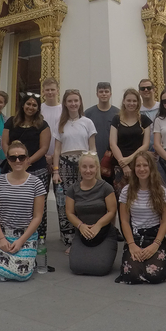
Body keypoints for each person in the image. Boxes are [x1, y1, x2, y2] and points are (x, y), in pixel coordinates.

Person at [0, 140, 47, 282]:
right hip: (3, 234)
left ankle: (29, 258)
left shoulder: (36, 183)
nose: (17, 160)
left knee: (20, 274)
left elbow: (37, 217)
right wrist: (1, 238)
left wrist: (22, 240)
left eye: (21, 157)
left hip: (26, 235)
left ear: (28, 160)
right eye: (13, 158)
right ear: (8, 161)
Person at [116, 151, 166, 285]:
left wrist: (156, 244)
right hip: (135, 237)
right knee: (131, 274)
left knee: (154, 274)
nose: (142, 169)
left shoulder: (162, 192)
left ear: (151, 168)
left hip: (154, 237)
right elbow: (124, 221)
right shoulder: (126, 191)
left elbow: (165, 221)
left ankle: (159, 260)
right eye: (138, 165)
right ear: (133, 168)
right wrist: (131, 245)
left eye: (145, 165)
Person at [1, 93, 52, 243]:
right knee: (15, 203)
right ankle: (13, 234)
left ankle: (40, 237)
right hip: (14, 169)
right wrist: (13, 159)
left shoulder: (43, 125)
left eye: (34, 105)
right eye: (28, 104)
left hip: (37, 169)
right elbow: (5, 143)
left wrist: (26, 162)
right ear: (23, 105)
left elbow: (44, 148)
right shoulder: (11, 122)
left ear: (38, 108)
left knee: (38, 206)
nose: (31, 107)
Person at [52, 89, 97, 249]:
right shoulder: (60, 123)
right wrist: (56, 171)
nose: (73, 104)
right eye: (70, 101)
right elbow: (57, 149)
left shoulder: (87, 122)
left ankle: (84, 235)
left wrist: (93, 168)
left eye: (76, 100)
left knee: (83, 198)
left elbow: (92, 148)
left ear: (80, 102)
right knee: (64, 201)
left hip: (83, 164)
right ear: (65, 103)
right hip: (64, 163)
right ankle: (68, 237)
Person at [65, 151, 118, 276]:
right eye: (84, 167)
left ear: (97, 168)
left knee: (101, 268)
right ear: (79, 168)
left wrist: (98, 225)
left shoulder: (106, 188)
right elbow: (70, 212)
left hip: (104, 231)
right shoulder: (73, 189)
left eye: (91, 167)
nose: (88, 170)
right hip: (83, 231)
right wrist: (80, 226)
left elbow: (112, 211)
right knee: (76, 267)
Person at [108, 88, 152, 199]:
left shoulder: (144, 120)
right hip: (119, 165)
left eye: (134, 101)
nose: (131, 103)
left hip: (139, 164)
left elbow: (145, 145)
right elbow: (113, 143)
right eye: (129, 101)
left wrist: (130, 159)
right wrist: (123, 164)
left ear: (138, 102)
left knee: (138, 197)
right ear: (124, 101)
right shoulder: (116, 119)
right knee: (121, 199)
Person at [83, 82, 119, 163]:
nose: (104, 94)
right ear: (97, 94)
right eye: (101, 92)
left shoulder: (118, 113)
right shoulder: (88, 113)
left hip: (113, 157)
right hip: (93, 156)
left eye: (106, 91)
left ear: (110, 94)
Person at [40, 77, 61, 172]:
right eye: (47, 90)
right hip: (42, 157)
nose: (50, 92)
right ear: (43, 91)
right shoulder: (39, 109)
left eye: (52, 89)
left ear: (57, 91)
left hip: (60, 156)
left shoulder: (64, 110)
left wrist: (54, 156)